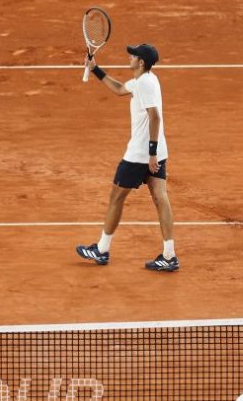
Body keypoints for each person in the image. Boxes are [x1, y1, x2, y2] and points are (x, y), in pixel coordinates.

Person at [75, 43, 179, 271]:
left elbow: (155, 118)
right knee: (160, 198)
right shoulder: (147, 80)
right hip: (158, 150)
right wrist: (95, 69)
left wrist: (150, 154)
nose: (130, 57)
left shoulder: (145, 84)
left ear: (141, 62)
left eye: (134, 55)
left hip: (141, 154)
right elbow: (120, 89)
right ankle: (169, 255)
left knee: (116, 198)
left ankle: (101, 250)